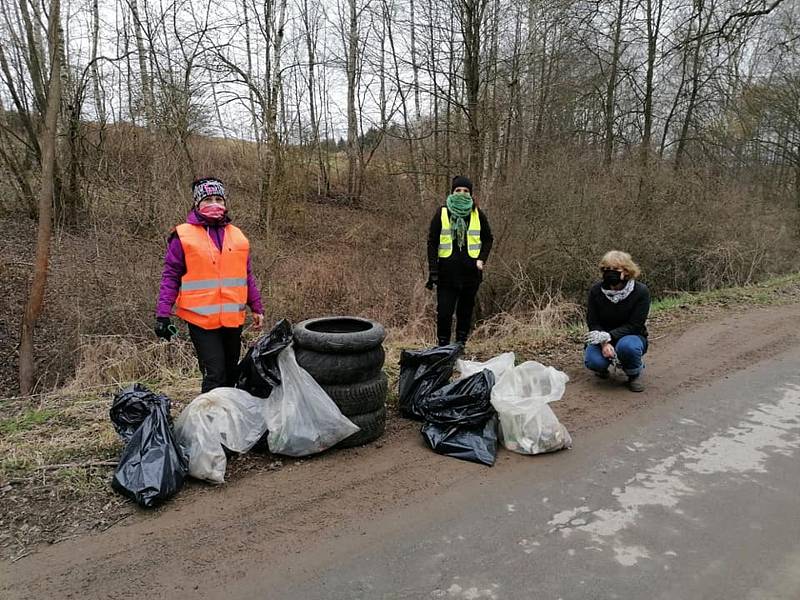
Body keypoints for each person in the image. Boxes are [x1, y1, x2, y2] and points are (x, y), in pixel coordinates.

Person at [155, 177, 264, 392]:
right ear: (197, 204)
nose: (214, 204)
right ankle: (209, 422)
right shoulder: (183, 236)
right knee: (215, 374)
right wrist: (162, 314)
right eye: (207, 200)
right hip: (201, 320)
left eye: (218, 199)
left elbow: (246, 275)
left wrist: (257, 307)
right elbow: (171, 276)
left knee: (232, 373)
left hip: (232, 318)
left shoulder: (238, 236)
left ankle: (229, 418)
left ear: (225, 203)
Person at [426, 176, 494, 346]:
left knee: (465, 312)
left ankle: (460, 345)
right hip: (446, 274)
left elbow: (488, 239)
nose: (462, 194)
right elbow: (432, 242)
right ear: (452, 192)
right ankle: (443, 346)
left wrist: (481, 259)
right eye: (458, 190)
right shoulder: (442, 213)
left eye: (466, 191)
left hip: (471, 274)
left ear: (470, 194)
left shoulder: (477, 213)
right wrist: (433, 270)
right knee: (444, 312)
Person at [584, 250, 650, 392]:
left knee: (628, 348)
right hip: (601, 337)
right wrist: (604, 343)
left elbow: (635, 325)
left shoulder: (641, 292)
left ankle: (633, 374)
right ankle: (602, 367)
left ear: (626, 271)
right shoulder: (596, 291)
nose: (610, 273)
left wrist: (610, 336)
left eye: (615, 269)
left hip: (631, 336)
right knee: (593, 361)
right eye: (606, 269)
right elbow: (593, 322)